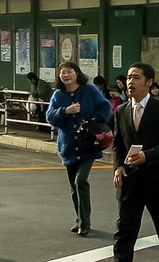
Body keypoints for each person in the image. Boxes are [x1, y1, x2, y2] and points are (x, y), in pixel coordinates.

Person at [103, 63, 159, 262]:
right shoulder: (121, 110)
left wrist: (147, 155)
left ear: (149, 82)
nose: (130, 82)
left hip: (157, 179)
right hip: (130, 180)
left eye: (136, 77)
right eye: (128, 77)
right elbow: (118, 144)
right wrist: (117, 167)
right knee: (125, 230)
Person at [47, 62, 113, 238]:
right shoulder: (58, 95)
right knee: (73, 187)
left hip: (88, 145)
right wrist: (65, 111)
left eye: (69, 72)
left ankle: (85, 223)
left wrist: (94, 120)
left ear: (77, 73)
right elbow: (50, 117)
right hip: (68, 146)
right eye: (62, 73)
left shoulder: (89, 90)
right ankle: (79, 219)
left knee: (80, 181)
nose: (66, 75)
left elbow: (105, 106)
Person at [26, 71, 54, 140]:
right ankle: (41, 127)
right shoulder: (36, 84)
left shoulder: (41, 83)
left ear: (32, 79)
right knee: (41, 114)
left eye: (30, 80)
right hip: (41, 102)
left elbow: (43, 93)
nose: (30, 82)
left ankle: (47, 128)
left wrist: (35, 94)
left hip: (47, 101)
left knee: (45, 114)